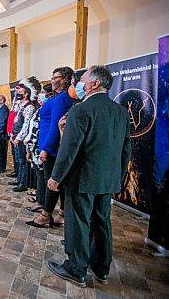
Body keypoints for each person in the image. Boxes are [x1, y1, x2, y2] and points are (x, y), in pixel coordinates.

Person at [47, 66, 131, 288]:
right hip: (108, 179)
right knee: (102, 222)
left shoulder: (81, 111)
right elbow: (125, 149)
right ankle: (101, 269)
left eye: (82, 79)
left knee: (78, 223)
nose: (78, 84)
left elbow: (70, 149)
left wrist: (56, 177)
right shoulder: (120, 111)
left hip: (82, 178)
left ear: (94, 84)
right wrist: (118, 177)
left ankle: (76, 269)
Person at [27, 66, 74, 228]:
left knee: (51, 182)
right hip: (48, 145)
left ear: (66, 79)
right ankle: (61, 213)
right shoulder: (56, 97)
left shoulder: (62, 99)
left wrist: (46, 148)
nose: (52, 81)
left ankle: (46, 214)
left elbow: (56, 125)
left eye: (56, 78)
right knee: (55, 182)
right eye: (52, 77)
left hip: (52, 148)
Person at [25, 84, 53, 213]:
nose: (40, 95)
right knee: (38, 175)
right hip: (34, 147)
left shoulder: (45, 110)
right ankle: (39, 198)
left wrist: (32, 147)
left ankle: (41, 202)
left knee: (42, 177)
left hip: (39, 147)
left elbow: (38, 130)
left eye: (43, 92)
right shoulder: (40, 109)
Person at [9, 77, 40, 191]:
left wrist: (18, 138)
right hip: (15, 137)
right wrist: (13, 135)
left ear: (26, 94)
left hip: (21, 139)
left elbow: (26, 125)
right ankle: (19, 178)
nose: (17, 94)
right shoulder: (20, 106)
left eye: (20, 92)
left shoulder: (29, 107)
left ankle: (23, 183)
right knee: (18, 160)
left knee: (22, 161)